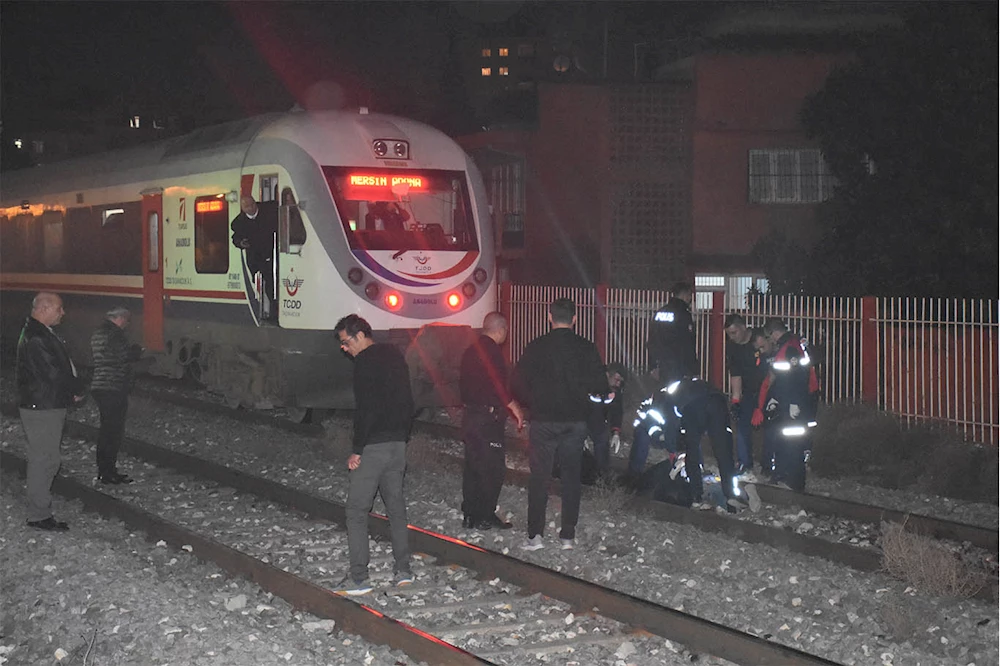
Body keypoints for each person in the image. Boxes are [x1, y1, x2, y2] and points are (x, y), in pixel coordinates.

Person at [511, 298, 608, 551]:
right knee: (571, 477)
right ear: (575, 319)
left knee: (539, 477)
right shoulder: (586, 348)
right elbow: (600, 384)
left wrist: (533, 402)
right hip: (575, 422)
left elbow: (517, 383)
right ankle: (567, 536)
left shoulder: (536, 346)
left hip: (543, 420)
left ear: (549, 317)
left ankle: (535, 536)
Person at [335, 314, 414, 595]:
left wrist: (357, 449)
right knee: (396, 508)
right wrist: (403, 435)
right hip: (397, 445)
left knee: (356, 510)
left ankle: (359, 578)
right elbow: (408, 400)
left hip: (374, 447)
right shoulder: (395, 356)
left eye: (346, 342)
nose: (344, 348)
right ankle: (403, 571)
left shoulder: (364, 363)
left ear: (359, 336)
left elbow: (366, 410)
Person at [630, 377, 759, 513]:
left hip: (693, 405)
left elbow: (672, 429)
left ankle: (697, 497)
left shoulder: (664, 399)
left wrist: (673, 451)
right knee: (724, 453)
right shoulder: (683, 386)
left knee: (692, 451)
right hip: (718, 402)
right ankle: (731, 494)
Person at [16, 292, 84, 531]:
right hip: (43, 406)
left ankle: (40, 510)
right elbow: (53, 373)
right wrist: (75, 389)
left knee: (47, 458)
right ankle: (38, 515)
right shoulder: (37, 337)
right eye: (59, 308)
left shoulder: (39, 332)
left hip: (45, 404)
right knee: (43, 460)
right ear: (44, 308)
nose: (62, 313)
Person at [458, 312, 525, 530]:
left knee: (473, 466)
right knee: (493, 468)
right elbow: (498, 385)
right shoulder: (493, 352)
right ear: (501, 329)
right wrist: (513, 405)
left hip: (470, 416)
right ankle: (485, 515)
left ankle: (470, 515)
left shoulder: (470, 350)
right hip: (487, 419)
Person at [751, 319, 820, 491]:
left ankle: (794, 483)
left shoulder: (790, 348)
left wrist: (794, 403)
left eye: (769, 337)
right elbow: (782, 377)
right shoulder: (789, 345)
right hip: (788, 400)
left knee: (793, 442)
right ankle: (785, 478)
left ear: (774, 333)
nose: (770, 340)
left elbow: (798, 378)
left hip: (795, 402)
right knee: (786, 440)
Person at [90, 306, 142, 484]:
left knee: (107, 430)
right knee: (113, 432)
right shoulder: (115, 334)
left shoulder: (99, 332)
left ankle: (104, 470)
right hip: (113, 386)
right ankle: (108, 472)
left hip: (101, 384)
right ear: (120, 318)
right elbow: (122, 356)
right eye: (126, 321)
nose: (127, 325)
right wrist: (136, 351)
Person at [724, 315, 768, 480]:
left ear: (743, 327)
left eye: (734, 332)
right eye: (729, 334)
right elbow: (735, 374)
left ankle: (769, 466)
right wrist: (736, 401)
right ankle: (745, 463)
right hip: (749, 392)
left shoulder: (759, 338)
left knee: (772, 428)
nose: (731, 337)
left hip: (770, 390)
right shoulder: (732, 347)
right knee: (742, 425)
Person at [231, 195, 277, 319]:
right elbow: (235, 238)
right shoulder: (238, 223)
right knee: (263, 284)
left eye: (252, 204)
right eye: (247, 206)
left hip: (273, 254)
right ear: (242, 208)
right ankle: (270, 312)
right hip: (256, 258)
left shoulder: (269, 210)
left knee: (272, 284)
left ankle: (275, 313)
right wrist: (241, 243)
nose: (251, 208)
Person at [647, 281, 698, 386]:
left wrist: (653, 366)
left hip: (661, 365)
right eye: (689, 295)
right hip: (679, 366)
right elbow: (687, 343)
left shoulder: (660, 312)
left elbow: (652, 340)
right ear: (684, 294)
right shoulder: (683, 314)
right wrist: (692, 369)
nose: (690, 299)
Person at [586, 362, 627, 481]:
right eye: (616, 379)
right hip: (581, 420)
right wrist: (581, 432)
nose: (618, 384)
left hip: (598, 423)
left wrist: (616, 433)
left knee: (603, 439)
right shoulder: (591, 384)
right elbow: (580, 406)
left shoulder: (614, 391)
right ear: (607, 375)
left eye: (620, 381)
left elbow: (617, 411)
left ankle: (602, 476)